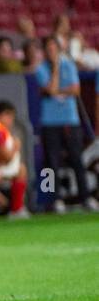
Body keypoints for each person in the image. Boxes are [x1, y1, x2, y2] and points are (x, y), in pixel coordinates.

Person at [34, 36, 95, 212]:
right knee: (51, 162)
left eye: (54, 48)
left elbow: (76, 90)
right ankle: (53, 199)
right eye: (49, 48)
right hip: (49, 121)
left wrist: (57, 90)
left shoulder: (69, 65)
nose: (52, 51)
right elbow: (51, 88)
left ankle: (86, 197)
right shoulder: (41, 69)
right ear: (45, 51)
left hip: (70, 120)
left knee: (77, 159)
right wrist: (55, 69)